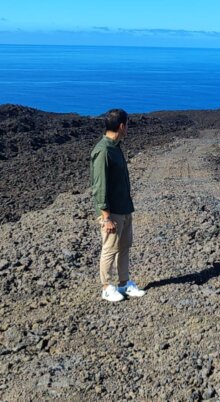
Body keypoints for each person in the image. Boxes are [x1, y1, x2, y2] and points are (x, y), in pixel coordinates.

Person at [90, 108, 146, 302]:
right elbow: (99, 185)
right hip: (112, 212)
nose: (128, 128)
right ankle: (106, 287)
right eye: (127, 124)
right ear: (122, 126)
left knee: (123, 247)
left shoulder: (115, 147)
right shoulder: (104, 150)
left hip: (124, 208)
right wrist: (106, 217)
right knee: (109, 248)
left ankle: (124, 284)